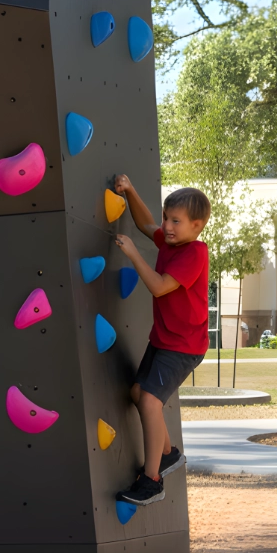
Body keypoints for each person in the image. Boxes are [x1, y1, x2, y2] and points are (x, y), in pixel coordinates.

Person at [107, 176, 211, 507]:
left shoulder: (193, 253)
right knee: (138, 393)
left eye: (175, 221)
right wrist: (132, 190)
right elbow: (144, 222)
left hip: (183, 347)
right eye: (167, 218)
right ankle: (167, 453)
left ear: (197, 226)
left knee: (150, 401)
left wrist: (134, 254)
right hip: (164, 339)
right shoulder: (171, 241)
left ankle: (152, 481)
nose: (166, 226)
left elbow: (160, 286)